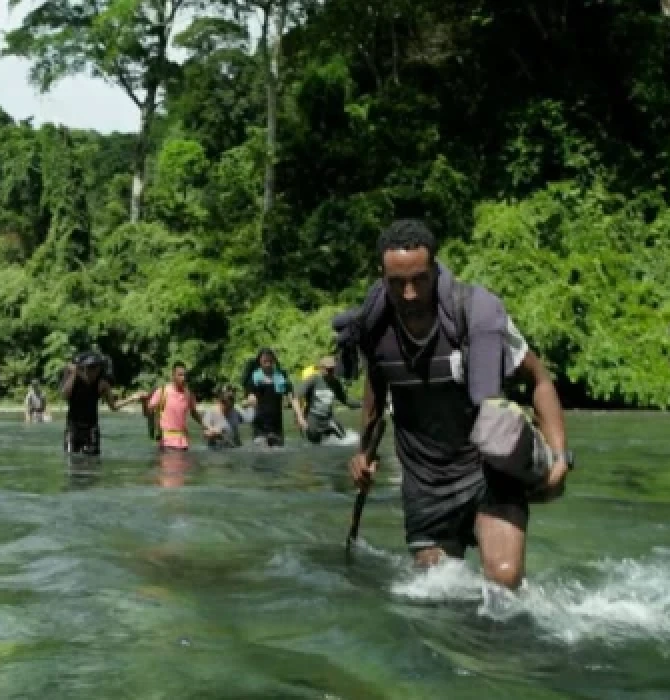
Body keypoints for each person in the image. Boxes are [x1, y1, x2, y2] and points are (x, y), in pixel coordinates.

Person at [338, 219, 570, 591]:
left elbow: (539, 379)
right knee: (440, 596)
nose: (410, 293)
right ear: (382, 277)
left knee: (504, 582)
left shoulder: (474, 315)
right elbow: (375, 390)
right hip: (425, 481)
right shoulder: (375, 325)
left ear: (435, 270)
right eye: (397, 284)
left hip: (488, 469)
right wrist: (363, 453)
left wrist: (560, 456)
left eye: (419, 280)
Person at [61, 351, 142, 455]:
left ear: (100, 369)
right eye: (90, 368)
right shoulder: (74, 379)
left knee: (92, 462)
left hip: (91, 429)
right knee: (70, 458)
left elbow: (114, 406)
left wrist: (132, 398)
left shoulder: (102, 384)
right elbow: (64, 396)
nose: (93, 373)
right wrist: (73, 374)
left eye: (96, 369)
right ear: (84, 368)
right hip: (72, 428)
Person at [292, 356, 360, 444]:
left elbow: (346, 400)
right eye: (328, 369)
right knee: (315, 446)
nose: (330, 372)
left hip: (328, 419)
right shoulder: (313, 379)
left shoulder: (335, 383)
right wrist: (300, 418)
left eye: (332, 369)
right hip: (313, 419)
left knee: (346, 441)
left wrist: (363, 404)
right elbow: (295, 398)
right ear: (321, 368)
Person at [144, 362, 204, 451]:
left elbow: (194, 413)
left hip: (183, 443)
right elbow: (147, 412)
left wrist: (206, 426)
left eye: (184, 375)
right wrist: (144, 401)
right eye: (180, 375)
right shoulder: (162, 392)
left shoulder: (189, 394)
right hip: (166, 443)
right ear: (173, 376)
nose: (183, 378)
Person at [242, 348, 294, 446]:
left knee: (278, 455)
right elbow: (247, 398)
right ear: (259, 361)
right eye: (264, 359)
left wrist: (299, 417)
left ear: (274, 360)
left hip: (277, 425)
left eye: (270, 358)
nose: (268, 361)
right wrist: (250, 399)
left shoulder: (281, 376)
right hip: (260, 425)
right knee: (263, 454)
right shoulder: (254, 377)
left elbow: (292, 396)